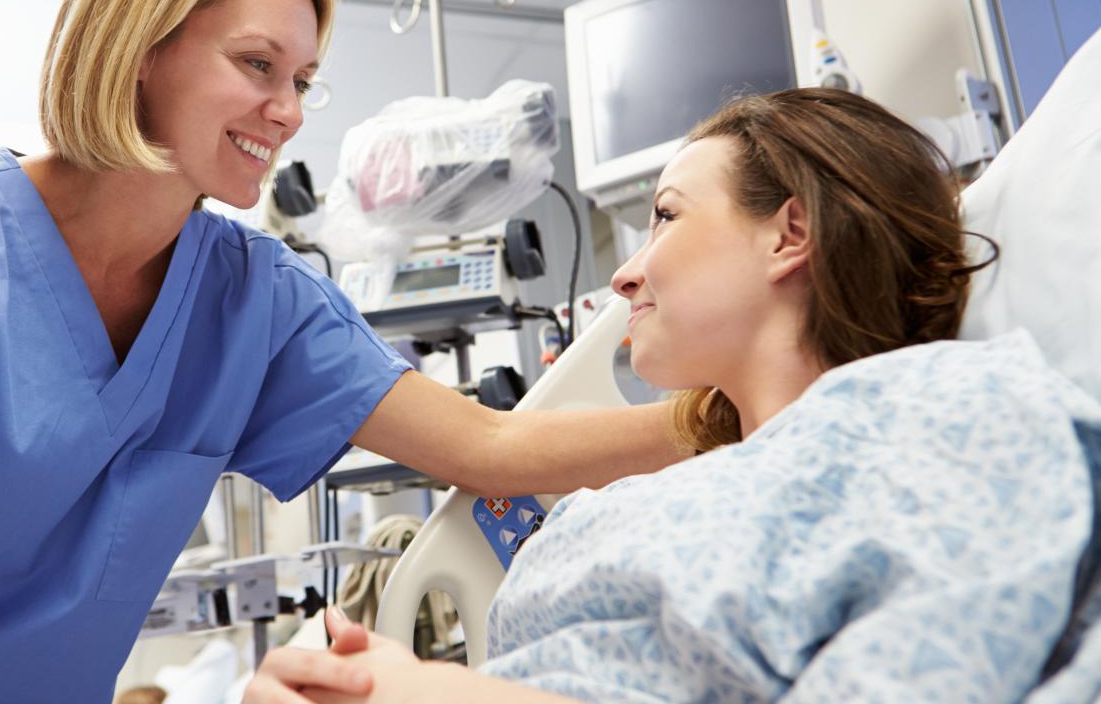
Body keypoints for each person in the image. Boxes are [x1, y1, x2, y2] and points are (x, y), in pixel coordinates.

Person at [0, 0, 686, 702]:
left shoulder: (256, 299)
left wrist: (745, 411)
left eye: (304, 80)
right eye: (257, 65)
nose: (289, 112)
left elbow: (490, 448)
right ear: (143, 49)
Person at [246, 89, 1101, 702]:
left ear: (790, 233)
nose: (623, 274)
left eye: (665, 214)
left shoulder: (947, 417)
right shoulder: (629, 506)